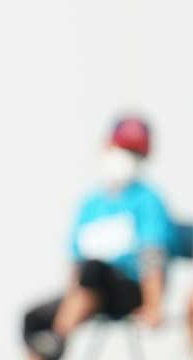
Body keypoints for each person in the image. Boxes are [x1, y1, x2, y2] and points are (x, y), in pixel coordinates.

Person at [23, 116, 176, 360]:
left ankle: (59, 338)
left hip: (128, 290)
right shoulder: (91, 205)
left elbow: (152, 255)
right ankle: (49, 345)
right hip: (86, 291)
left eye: (133, 152)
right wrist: (71, 300)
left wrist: (153, 305)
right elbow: (76, 262)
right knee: (34, 317)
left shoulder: (148, 200)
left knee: (94, 270)